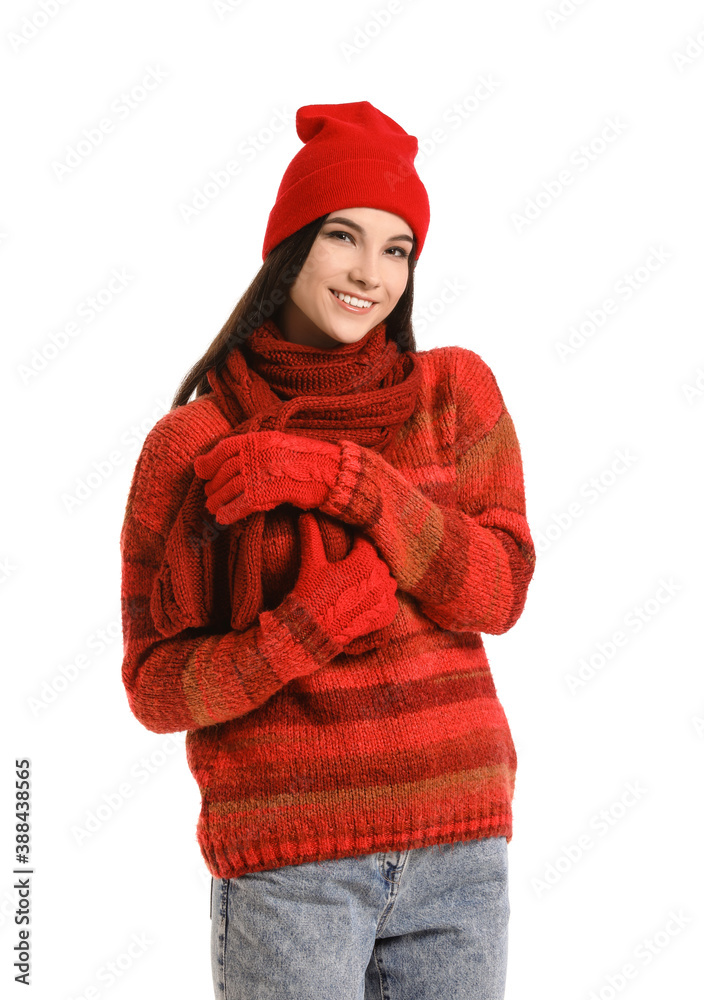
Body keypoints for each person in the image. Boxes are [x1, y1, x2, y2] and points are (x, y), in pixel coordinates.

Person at [119, 100, 536, 1000]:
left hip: (461, 850)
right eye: (344, 236)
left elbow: (497, 591)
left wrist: (342, 480)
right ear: (292, 245)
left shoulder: (454, 394)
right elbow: (155, 686)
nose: (370, 272)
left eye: (397, 249)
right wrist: (299, 634)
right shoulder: (193, 445)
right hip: (291, 867)